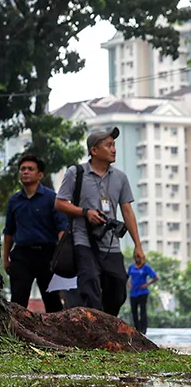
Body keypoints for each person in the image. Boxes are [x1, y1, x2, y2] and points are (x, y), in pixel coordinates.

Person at [55, 127, 148, 317]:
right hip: (83, 240)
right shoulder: (76, 173)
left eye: (114, 145)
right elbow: (59, 203)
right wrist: (85, 212)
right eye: (108, 145)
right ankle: (94, 330)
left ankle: (107, 323)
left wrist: (138, 245)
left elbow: (127, 212)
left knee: (118, 288)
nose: (114, 149)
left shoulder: (120, 178)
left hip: (111, 244)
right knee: (90, 286)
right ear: (94, 150)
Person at [2, 153, 67, 313]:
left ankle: (56, 336)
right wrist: (5, 259)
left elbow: (62, 229)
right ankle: (15, 335)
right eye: (22, 169)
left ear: (39, 175)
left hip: (48, 255)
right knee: (18, 300)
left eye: (30, 169)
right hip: (22, 256)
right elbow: (8, 232)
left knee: (53, 302)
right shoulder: (14, 201)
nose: (25, 172)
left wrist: (62, 256)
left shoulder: (52, 198)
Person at [128, 259, 158, 334]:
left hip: (142, 292)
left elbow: (155, 277)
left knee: (142, 311)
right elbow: (125, 277)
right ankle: (137, 329)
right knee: (134, 311)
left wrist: (147, 284)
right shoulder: (131, 267)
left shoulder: (146, 267)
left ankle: (143, 330)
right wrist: (128, 284)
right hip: (133, 292)